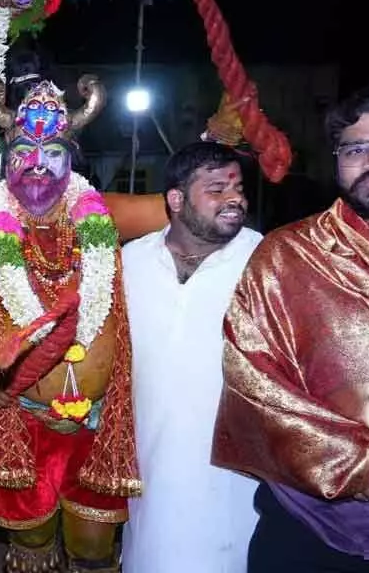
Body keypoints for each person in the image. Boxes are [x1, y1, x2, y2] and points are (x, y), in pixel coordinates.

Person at [213, 80, 369, 571]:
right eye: (356, 149)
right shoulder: (288, 256)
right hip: (308, 525)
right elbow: (252, 379)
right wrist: (349, 461)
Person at [0, 74, 139, 573]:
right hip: (21, 421)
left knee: (93, 551)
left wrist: (220, 148)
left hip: (98, 424)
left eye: (53, 151)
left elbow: (181, 210)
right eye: (23, 150)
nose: (37, 164)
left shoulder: (103, 216)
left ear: (72, 157)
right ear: (5, 157)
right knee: (31, 549)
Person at [120, 142, 262, 573]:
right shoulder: (132, 261)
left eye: (237, 187)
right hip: (149, 459)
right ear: (176, 200)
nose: (234, 198)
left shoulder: (266, 260)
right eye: (216, 188)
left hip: (235, 475)